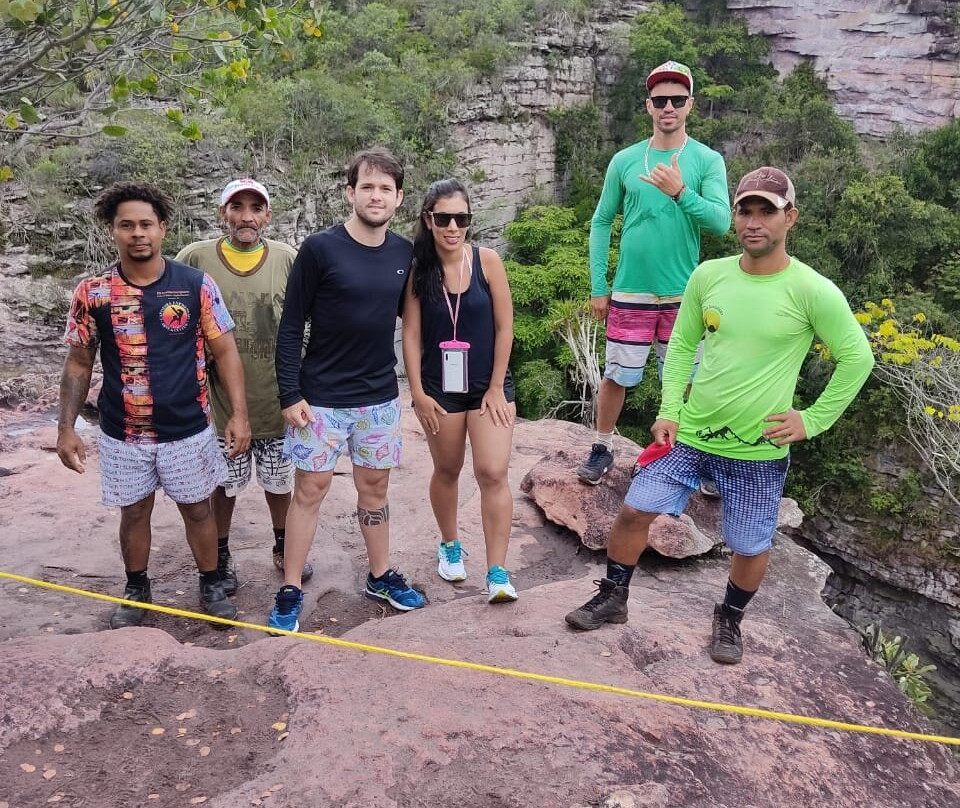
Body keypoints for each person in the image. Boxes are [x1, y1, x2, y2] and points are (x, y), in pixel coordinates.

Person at [564, 167, 875, 665]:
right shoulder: (710, 276)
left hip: (756, 451)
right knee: (634, 511)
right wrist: (669, 410)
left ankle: (729, 617)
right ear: (734, 217)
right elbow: (683, 343)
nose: (754, 222)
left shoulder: (811, 290)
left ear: (789, 218)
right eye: (745, 211)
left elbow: (858, 357)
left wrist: (812, 420)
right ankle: (614, 597)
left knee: (750, 545)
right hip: (690, 436)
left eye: (766, 212)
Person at [56, 181, 251, 629]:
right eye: (127, 225)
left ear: (163, 228)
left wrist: (239, 415)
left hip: (188, 427)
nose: (138, 233)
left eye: (147, 224)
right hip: (123, 431)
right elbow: (79, 360)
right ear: (113, 231)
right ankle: (137, 587)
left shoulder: (195, 285)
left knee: (199, 508)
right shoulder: (93, 292)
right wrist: (66, 427)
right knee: (135, 512)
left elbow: (225, 352)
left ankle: (210, 582)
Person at [268, 147, 424, 633]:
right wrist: (289, 394)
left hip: (378, 398)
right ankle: (291, 585)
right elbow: (291, 325)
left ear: (398, 198)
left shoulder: (405, 253)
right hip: (320, 400)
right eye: (367, 186)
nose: (375, 196)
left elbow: (415, 324)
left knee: (374, 490)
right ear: (349, 192)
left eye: (385, 188)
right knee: (310, 490)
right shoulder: (320, 249)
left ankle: (380, 575)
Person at [577, 60, 731, 488]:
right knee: (617, 375)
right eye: (660, 100)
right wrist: (598, 285)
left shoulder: (706, 160)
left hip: (685, 294)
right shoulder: (626, 160)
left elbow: (720, 222)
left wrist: (680, 193)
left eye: (677, 100)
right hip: (631, 290)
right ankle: (602, 446)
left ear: (690, 106)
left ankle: (694, 457)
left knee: (689, 379)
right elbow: (602, 220)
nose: (668, 107)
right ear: (648, 106)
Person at [175, 179, 313, 596]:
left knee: (279, 482)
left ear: (268, 215)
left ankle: (283, 544)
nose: (247, 216)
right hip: (219, 404)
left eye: (256, 208)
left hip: (278, 399)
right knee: (224, 485)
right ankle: (220, 553)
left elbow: (314, 322)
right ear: (224, 213)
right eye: (237, 207)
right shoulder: (195, 258)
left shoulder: (289, 259)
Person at [402, 179, 518, 603]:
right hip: (440, 389)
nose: (453, 227)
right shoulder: (419, 269)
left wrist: (495, 388)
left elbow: (505, 327)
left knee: (492, 472)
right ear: (428, 219)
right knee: (447, 469)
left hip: (487, 386)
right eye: (444, 218)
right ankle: (450, 545)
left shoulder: (487, 262)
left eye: (462, 218)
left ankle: (497, 571)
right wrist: (417, 393)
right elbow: (411, 334)